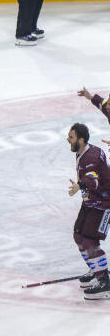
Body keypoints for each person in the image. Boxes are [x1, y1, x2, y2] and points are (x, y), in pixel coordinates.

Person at [67, 123, 110, 300]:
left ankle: (104, 281)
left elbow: (93, 178)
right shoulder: (84, 151)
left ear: (81, 139)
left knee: (89, 240)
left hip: (104, 203)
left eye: (71, 137)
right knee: (78, 236)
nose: (68, 139)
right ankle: (96, 268)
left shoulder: (90, 157)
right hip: (91, 202)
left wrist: (81, 185)